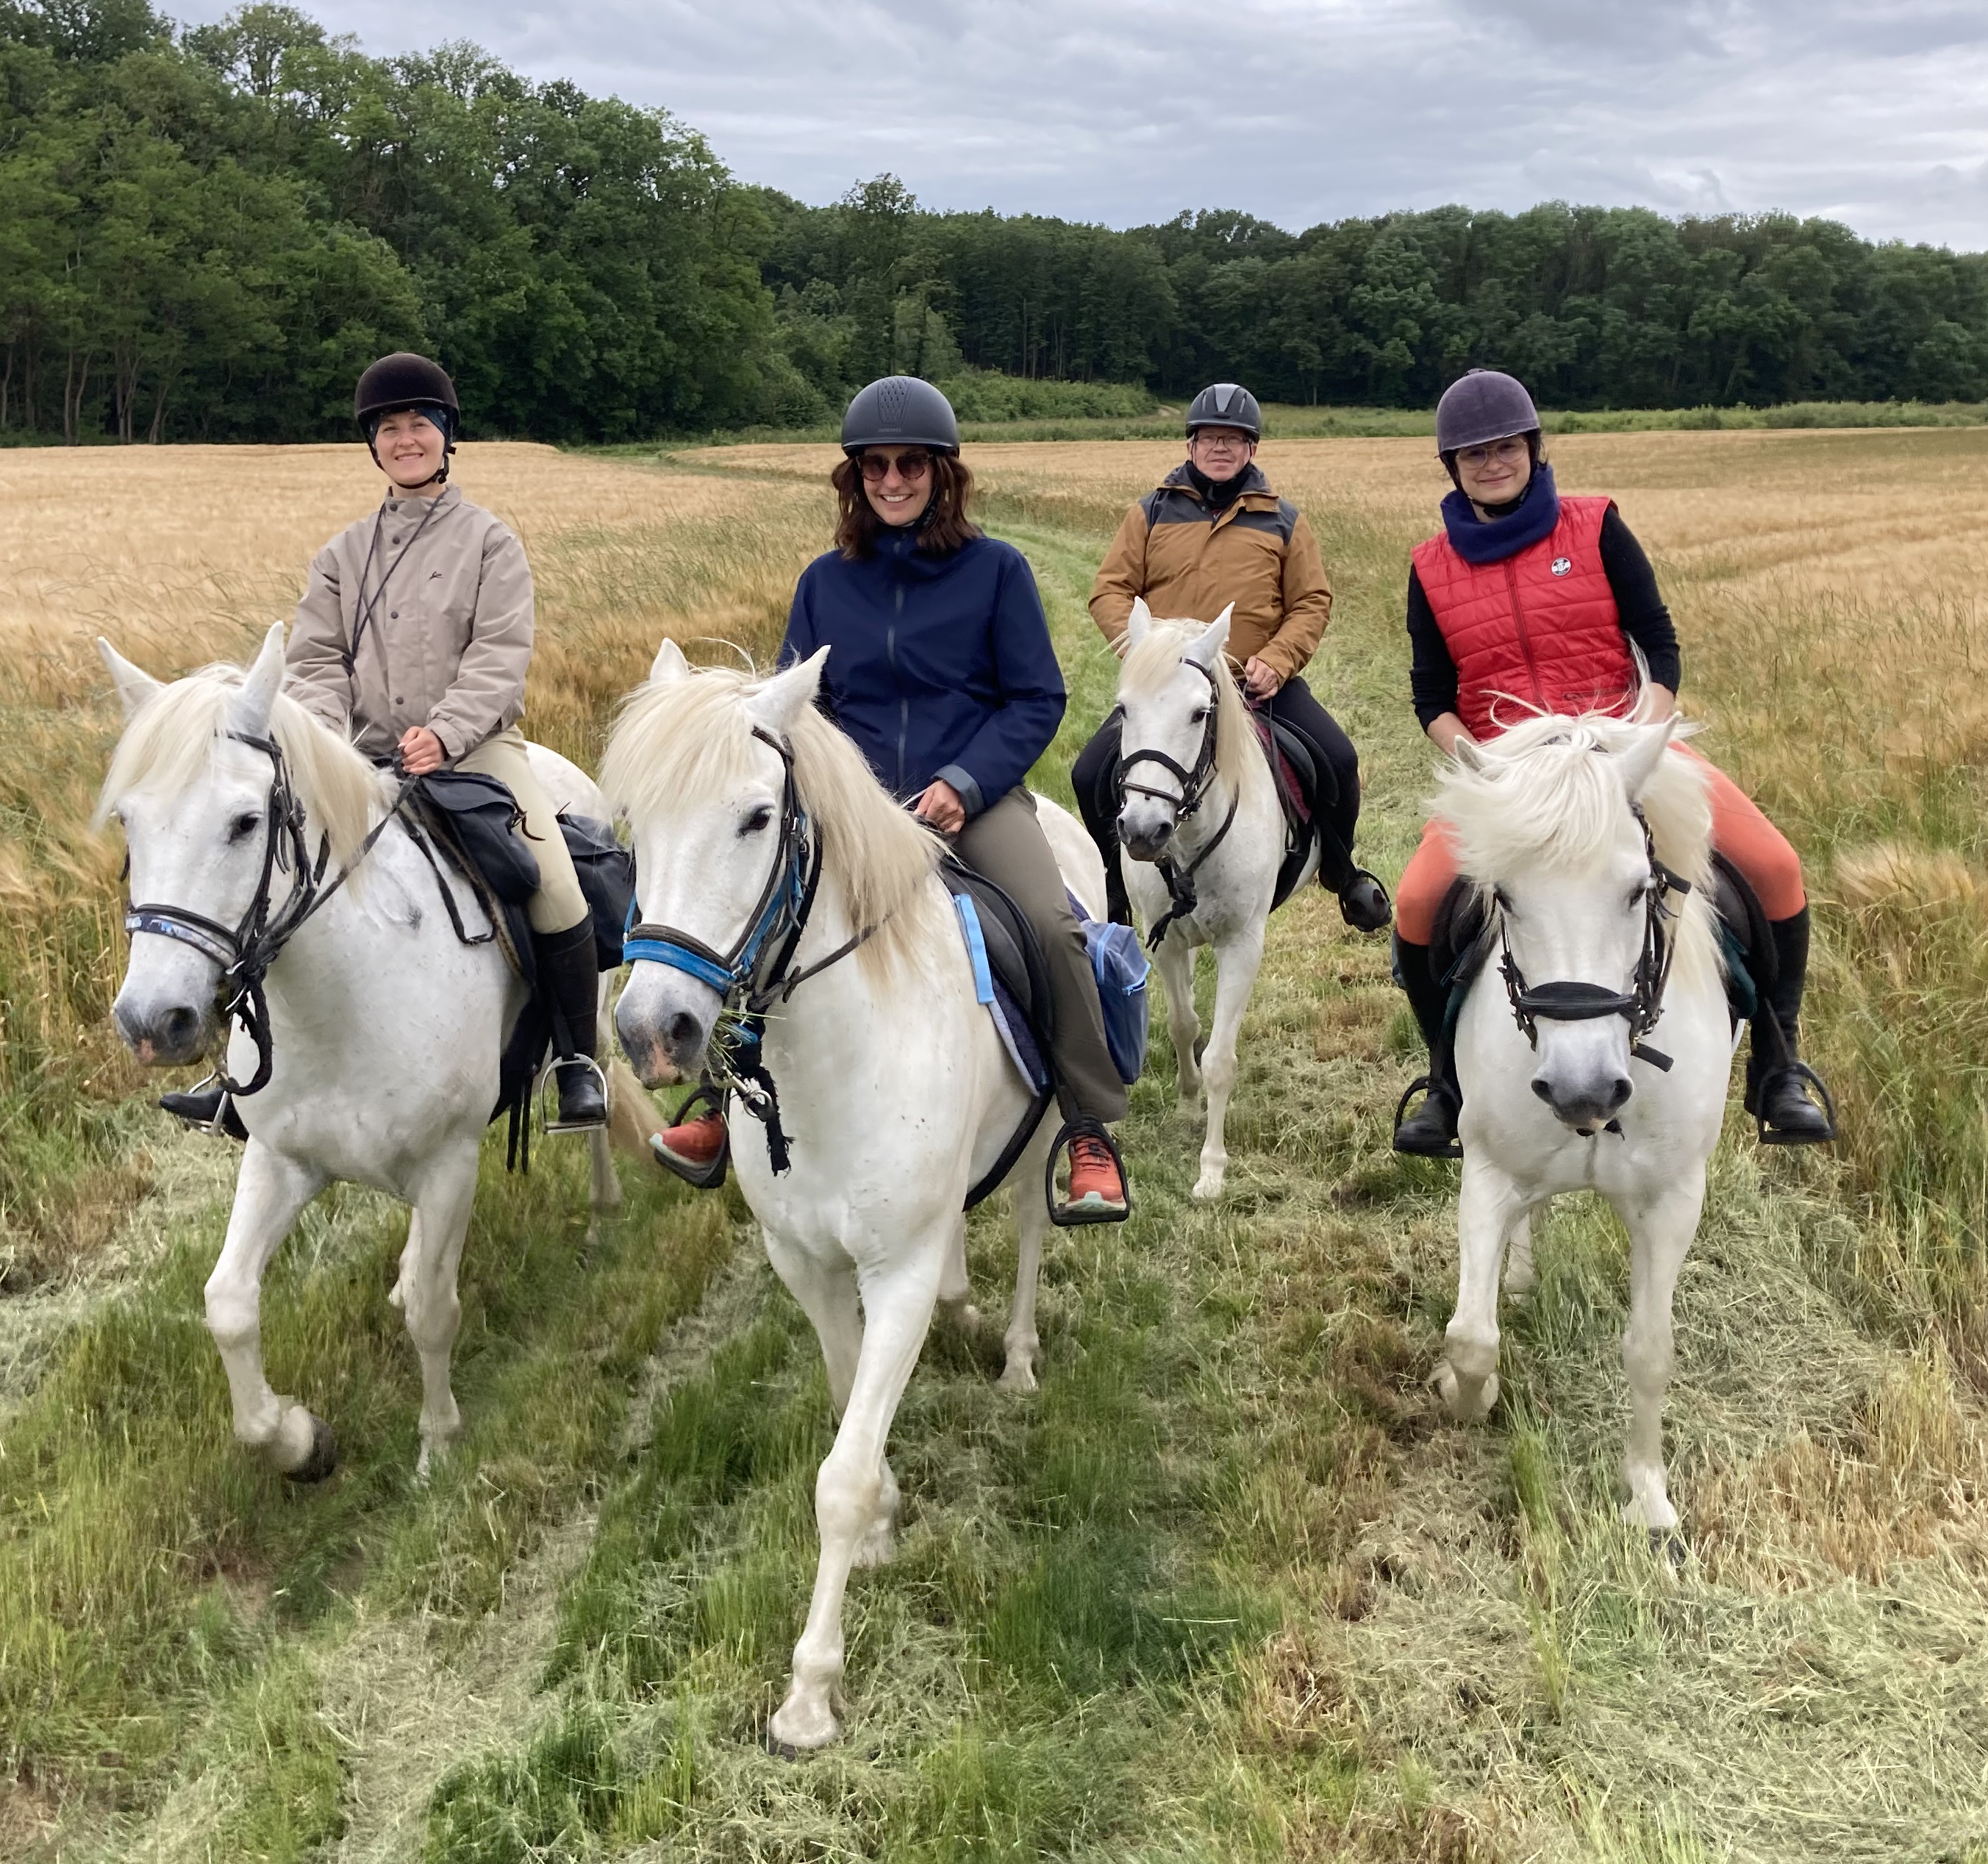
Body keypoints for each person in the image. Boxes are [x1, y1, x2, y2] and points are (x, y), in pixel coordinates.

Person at [651, 376, 1132, 1220]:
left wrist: (965, 783)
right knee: (762, 922)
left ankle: (1089, 1126)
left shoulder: (998, 572)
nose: (894, 480)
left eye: (912, 464)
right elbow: (798, 709)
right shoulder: (824, 583)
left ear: (944, 474)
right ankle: (723, 1108)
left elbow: (1036, 700)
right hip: (853, 815)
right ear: (856, 478)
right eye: (876, 466)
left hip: (973, 804)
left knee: (1052, 927)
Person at [1390, 368, 1834, 1155]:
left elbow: (1658, 641)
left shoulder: (1595, 527)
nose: (1492, 463)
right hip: (1510, 770)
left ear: (1532, 447)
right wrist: (1482, 768)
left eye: (1505, 447)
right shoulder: (1431, 567)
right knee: (1420, 905)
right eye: (1472, 454)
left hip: (1624, 747)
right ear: (1452, 467)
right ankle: (1445, 1085)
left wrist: (1647, 733)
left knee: (1774, 867)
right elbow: (1432, 695)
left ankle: (1779, 1067)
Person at [286, 351, 609, 1132]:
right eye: (390, 428)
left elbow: (500, 657)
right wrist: (328, 748)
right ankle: (249, 1081)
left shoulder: (491, 544)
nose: (406, 439)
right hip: (361, 759)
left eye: (420, 424)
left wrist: (447, 732)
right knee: (270, 874)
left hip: (476, 751)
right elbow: (313, 660)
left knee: (555, 885)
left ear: (446, 435)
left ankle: (576, 1061)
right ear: (374, 444)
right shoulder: (341, 556)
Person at [1074, 382, 1392, 932]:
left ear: (1252, 449)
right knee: (1088, 773)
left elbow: (1312, 601)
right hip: (1171, 689)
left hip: (1257, 683)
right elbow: (1110, 591)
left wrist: (1279, 658)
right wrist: (1147, 658)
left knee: (1337, 760)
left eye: (1233, 439)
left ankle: (1343, 872)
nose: (1220, 448)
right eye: (1209, 438)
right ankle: (1116, 886)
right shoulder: (1149, 513)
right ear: (1192, 444)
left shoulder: (1284, 520)